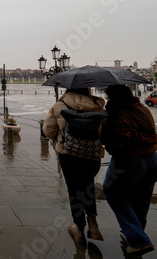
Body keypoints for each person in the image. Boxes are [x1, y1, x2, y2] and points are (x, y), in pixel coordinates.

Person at [43, 88, 105, 244]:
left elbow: (48, 131)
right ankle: (93, 224)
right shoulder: (96, 105)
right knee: (88, 185)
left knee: (74, 190)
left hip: (68, 155)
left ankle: (78, 228)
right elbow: (103, 130)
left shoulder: (60, 105)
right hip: (92, 154)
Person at [102, 85, 157, 256]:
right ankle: (135, 233)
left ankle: (138, 239)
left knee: (113, 192)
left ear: (113, 98)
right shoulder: (142, 108)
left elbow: (117, 139)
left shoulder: (117, 112)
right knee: (141, 198)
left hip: (129, 159)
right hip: (152, 157)